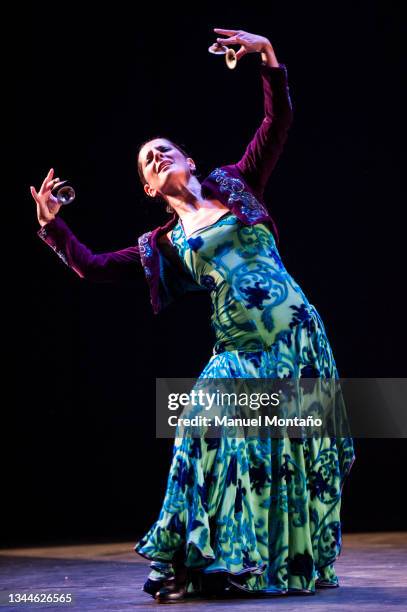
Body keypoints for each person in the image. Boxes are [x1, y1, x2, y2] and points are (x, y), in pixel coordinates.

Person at [31, 28, 355, 603]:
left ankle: (243, 564)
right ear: (151, 187)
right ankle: (186, 557)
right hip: (238, 349)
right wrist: (53, 226)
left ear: (188, 160)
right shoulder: (165, 245)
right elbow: (94, 266)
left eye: (164, 149)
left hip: (299, 340)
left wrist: (267, 58)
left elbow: (276, 123)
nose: (157, 157)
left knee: (275, 457)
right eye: (146, 161)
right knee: (199, 427)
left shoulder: (237, 184)